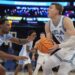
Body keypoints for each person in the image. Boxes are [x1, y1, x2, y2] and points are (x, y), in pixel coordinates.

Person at [43, 3, 75, 75]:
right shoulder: (47, 24)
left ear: (57, 11)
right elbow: (49, 43)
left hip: (73, 50)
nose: (48, 9)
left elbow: (74, 40)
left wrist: (58, 46)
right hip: (64, 49)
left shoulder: (66, 20)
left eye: (51, 8)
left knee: (62, 72)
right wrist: (47, 52)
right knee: (45, 66)